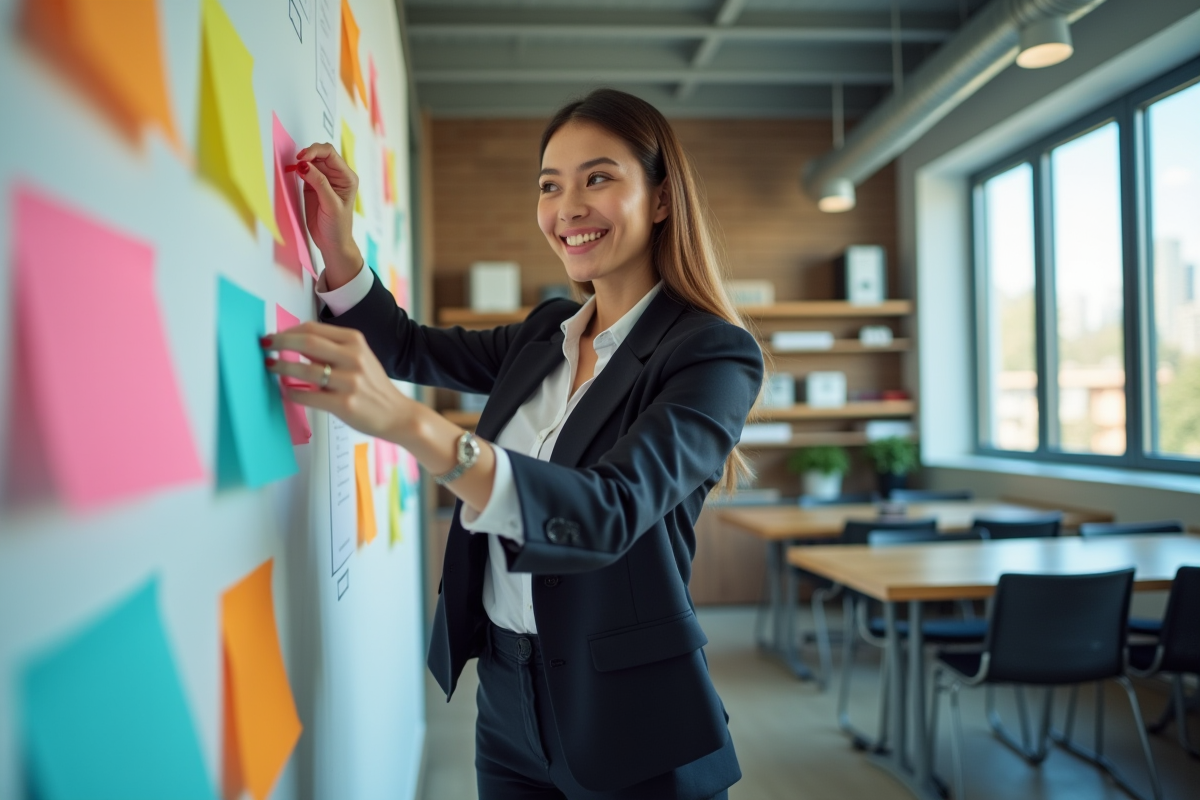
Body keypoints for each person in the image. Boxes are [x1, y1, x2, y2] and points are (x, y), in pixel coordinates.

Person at [263, 88, 764, 800]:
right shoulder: (547, 332)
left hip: (629, 716)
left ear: (659, 198)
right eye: (549, 186)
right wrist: (339, 248)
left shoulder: (712, 355)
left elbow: (610, 511)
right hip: (506, 698)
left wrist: (419, 430)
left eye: (598, 178)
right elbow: (406, 346)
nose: (568, 208)